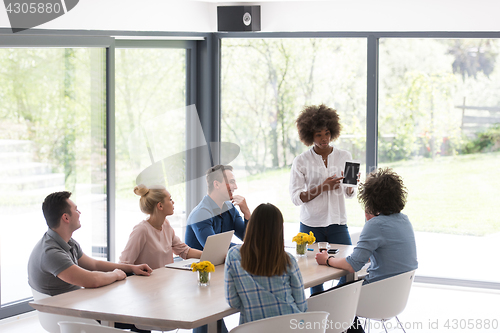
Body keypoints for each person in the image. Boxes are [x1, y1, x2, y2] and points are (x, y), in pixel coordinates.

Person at [28, 191, 152, 296]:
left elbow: (94, 264)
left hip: (76, 304)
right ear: (66, 218)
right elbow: (93, 280)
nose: (79, 213)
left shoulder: (66, 242)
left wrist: (132, 268)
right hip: (69, 315)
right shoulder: (51, 253)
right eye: (76, 210)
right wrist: (115, 275)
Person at [289, 104, 357, 293]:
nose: (324, 138)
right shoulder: (301, 161)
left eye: (327, 133)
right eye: (318, 135)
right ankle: (319, 315)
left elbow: (349, 194)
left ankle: (336, 305)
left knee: (348, 270)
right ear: (310, 135)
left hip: (337, 223)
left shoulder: (345, 156)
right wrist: (322, 188)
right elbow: (296, 198)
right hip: (311, 225)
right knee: (313, 277)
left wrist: (351, 186)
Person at [315, 167, 418, 283]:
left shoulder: (376, 225)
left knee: (317, 298)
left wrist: (327, 259)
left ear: (370, 198)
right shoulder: (404, 220)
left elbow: (352, 265)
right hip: (397, 292)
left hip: (375, 291)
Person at [225, 203, 307, 324]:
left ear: (251, 226)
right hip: (290, 326)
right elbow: (301, 304)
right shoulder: (287, 260)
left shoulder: (234, 256)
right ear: (279, 230)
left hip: (254, 327)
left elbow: (233, 302)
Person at [119, 184, 202, 270]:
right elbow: (123, 264)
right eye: (170, 199)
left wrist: (209, 255)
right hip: (148, 282)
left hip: (167, 280)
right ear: (160, 206)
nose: (173, 202)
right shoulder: (142, 230)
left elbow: (184, 251)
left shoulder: (166, 225)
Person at [185, 164, 251, 251]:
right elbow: (215, 248)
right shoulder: (201, 214)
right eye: (231, 182)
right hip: (199, 264)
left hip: (220, 262)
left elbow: (248, 239)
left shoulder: (230, 208)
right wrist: (247, 248)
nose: (235, 187)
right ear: (216, 184)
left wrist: (247, 213)